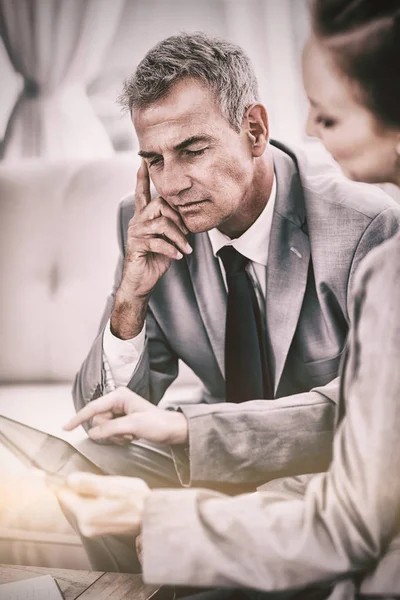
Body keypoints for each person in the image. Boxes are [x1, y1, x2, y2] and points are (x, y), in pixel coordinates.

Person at [61, 10, 400, 595]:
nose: (170, 183)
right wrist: (131, 296)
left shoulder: (367, 226)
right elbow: (102, 417)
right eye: (153, 160)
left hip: (321, 475)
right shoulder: (149, 224)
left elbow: (357, 421)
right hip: (215, 465)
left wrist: (188, 430)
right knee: (73, 471)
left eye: (192, 150)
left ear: (254, 129)